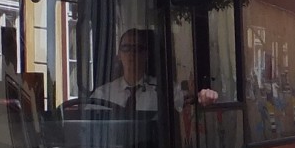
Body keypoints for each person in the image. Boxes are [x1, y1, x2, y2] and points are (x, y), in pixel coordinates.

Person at [91, 28, 219, 111]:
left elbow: (190, 100)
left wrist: (205, 97)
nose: (131, 53)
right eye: (126, 48)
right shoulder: (103, 94)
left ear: (147, 55)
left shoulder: (164, 91)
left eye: (138, 48)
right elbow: (84, 127)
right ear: (118, 55)